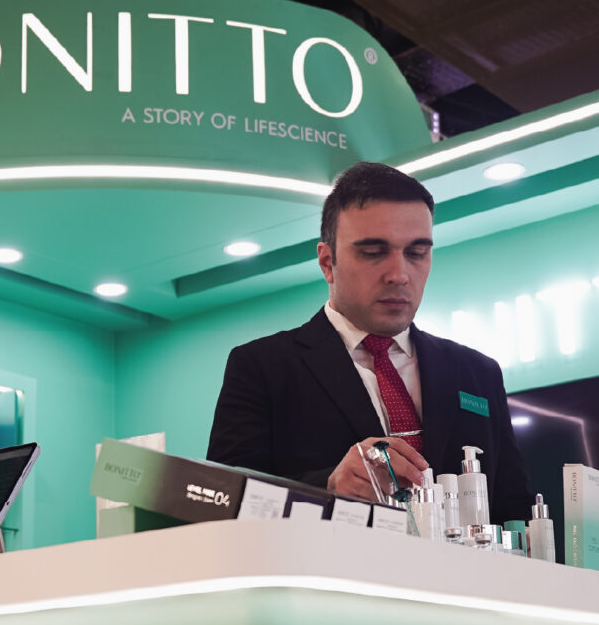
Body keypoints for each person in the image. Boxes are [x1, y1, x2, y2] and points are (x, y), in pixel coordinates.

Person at [206, 161, 532, 525]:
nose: (399, 275)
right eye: (373, 252)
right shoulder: (263, 367)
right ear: (328, 263)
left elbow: (512, 508)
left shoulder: (477, 373)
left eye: (417, 252)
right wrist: (328, 487)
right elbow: (222, 501)